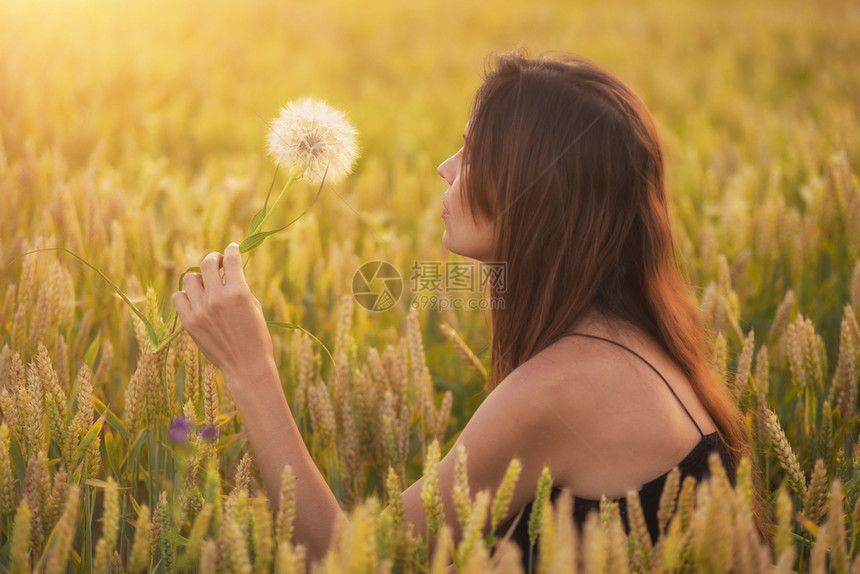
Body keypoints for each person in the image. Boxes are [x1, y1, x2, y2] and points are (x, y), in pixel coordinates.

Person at [172, 50, 746, 567]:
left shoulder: (562, 386)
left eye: (473, 150)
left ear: (534, 190)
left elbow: (349, 559)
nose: (445, 167)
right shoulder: (628, 341)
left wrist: (250, 371)